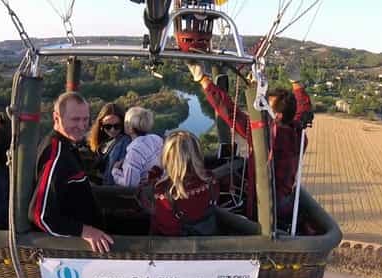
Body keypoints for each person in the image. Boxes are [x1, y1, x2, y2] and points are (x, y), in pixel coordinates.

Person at [186, 62, 313, 225]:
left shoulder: (268, 136)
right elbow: (303, 108)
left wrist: (203, 80)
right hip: (284, 201)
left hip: (266, 205)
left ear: (278, 116)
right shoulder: (297, 131)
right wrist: (297, 84)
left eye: (266, 106)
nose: (262, 108)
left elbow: (229, 111)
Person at [30, 92, 114, 253]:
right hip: (78, 251)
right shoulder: (56, 155)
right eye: (75, 119)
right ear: (56, 118)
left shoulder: (68, 146)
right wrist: (85, 231)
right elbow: (40, 215)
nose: (82, 125)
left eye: (85, 119)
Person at [142, 131, 219, 236]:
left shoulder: (163, 192)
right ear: (197, 154)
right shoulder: (211, 180)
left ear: (168, 157)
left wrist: (154, 178)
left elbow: (164, 227)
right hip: (207, 239)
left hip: (176, 248)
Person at [112, 107, 164, 187]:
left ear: (130, 128)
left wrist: (115, 171)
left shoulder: (135, 151)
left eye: (126, 123)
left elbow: (130, 184)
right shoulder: (156, 138)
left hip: (145, 194)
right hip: (159, 186)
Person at [89, 102, 131, 185]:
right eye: (108, 126)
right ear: (101, 125)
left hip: (110, 191)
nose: (112, 130)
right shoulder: (104, 141)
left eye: (117, 126)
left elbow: (112, 175)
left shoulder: (124, 142)